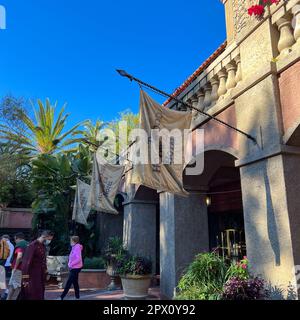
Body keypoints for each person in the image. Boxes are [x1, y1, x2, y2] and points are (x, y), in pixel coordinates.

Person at [21, 230, 54, 300]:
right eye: (49, 239)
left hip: (40, 275)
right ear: (44, 236)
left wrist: (46, 273)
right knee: (33, 295)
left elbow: (43, 261)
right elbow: (26, 262)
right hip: (32, 276)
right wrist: (25, 278)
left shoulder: (42, 246)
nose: (49, 241)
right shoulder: (32, 245)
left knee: (40, 294)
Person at [60, 236, 83, 300]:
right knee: (75, 282)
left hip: (76, 268)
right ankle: (77, 296)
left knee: (69, 282)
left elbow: (78, 259)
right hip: (74, 267)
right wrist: (70, 264)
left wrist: (70, 264)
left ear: (74, 241)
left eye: (71, 241)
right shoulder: (74, 247)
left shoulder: (77, 247)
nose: (70, 242)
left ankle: (62, 296)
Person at [6, 233, 28, 300]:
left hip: (18, 268)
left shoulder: (20, 244)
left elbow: (19, 256)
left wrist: (15, 267)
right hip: (24, 268)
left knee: (15, 286)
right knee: (14, 285)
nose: (15, 241)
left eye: (15, 239)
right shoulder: (28, 244)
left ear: (17, 238)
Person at [0, 235, 15, 300]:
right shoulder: (12, 245)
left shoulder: (2, 243)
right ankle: (6, 292)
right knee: (5, 279)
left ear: (4, 238)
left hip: (2, 263)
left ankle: (4, 293)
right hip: (9, 264)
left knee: (2, 279)